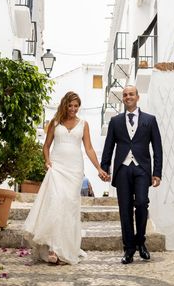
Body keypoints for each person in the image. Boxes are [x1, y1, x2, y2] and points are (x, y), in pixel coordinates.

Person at [23, 91, 109, 264]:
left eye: (76, 106)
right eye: (70, 105)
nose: (73, 109)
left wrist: (99, 168)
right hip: (57, 167)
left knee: (69, 207)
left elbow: (89, 148)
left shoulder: (83, 124)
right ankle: (54, 249)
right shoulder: (55, 123)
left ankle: (66, 247)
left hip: (75, 170)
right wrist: (47, 161)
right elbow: (46, 146)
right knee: (56, 203)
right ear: (65, 105)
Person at [101, 85, 162, 264]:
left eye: (131, 94)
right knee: (124, 209)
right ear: (123, 98)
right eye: (125, 95)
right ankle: (129, 249)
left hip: (142, 168)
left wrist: (157, 172)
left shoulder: (150, 120)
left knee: (142, 203)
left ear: (137, 97)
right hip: (122, 169)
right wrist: (105, 168)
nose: (128, 97)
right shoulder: (115, 121)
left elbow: (157, 148)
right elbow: (109, 146)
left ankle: (140, 242)